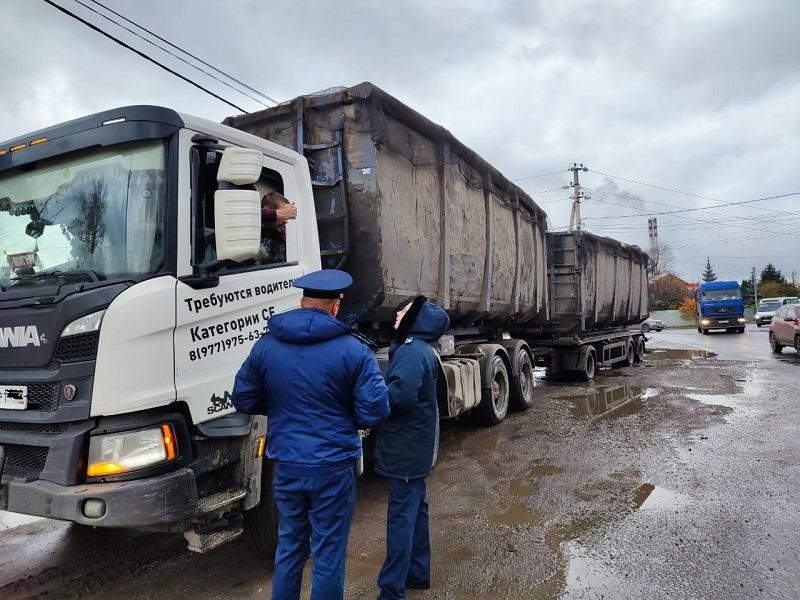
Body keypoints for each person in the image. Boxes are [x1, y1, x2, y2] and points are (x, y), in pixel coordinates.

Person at [231, 269, 389, 600]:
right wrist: (347, 417)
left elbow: (243, 398)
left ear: (303, 302)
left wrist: (280, 408)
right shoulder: (354, 351)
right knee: (328, 552)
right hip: (333, 466)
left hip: (286, 462)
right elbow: (375, 410)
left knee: (290, 545)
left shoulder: (267, 346)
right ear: (335, 307)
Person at [374, 295, 450, 600]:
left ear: (414, 318)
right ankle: (417, 573)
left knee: (401, 518)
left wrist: (373, 393)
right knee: (416, 511)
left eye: (403, 311)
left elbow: (399, 399)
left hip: (404, 448)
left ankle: (392, 590)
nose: (396, 314)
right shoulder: (422, 350)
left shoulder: (409, 352)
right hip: (416, 446)